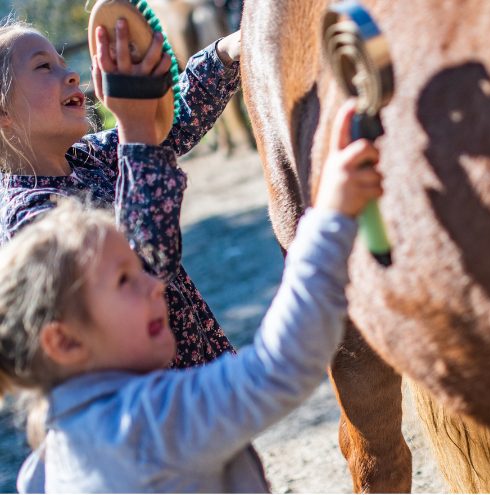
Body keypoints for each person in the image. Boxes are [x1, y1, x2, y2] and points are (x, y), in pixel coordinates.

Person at [0, 98, 383, 492]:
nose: (154, 285)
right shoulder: (155, 421)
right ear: (63, 340)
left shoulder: (42, 473)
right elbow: (279, 366)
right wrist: (330, 216)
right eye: (124, 280)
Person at [0, 16, 241, 369]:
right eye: (43, 67)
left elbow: (166, 126)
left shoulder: (87, 158)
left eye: (65, 64)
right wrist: (132, 125)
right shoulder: (29, 220)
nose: (69, 75)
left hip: (195, 379)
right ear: (3, 112)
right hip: (147, 408)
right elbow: (145, 263)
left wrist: (225, 53)